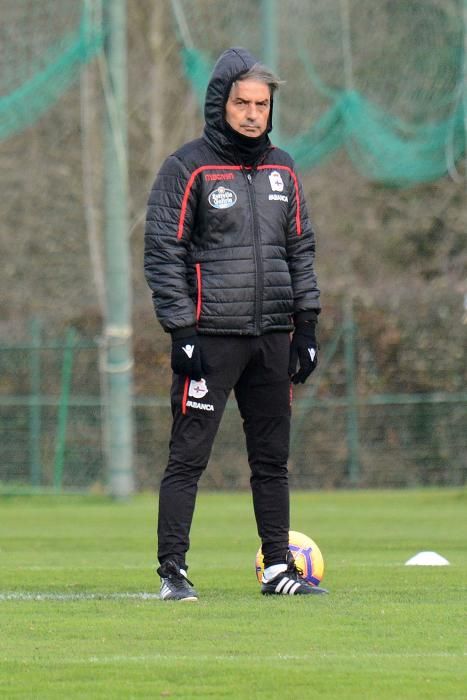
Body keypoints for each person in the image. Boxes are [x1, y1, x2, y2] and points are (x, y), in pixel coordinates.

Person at [144, 47, 326, 600]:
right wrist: (181, 331)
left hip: (272, 337)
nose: (252, 113)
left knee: (272, 461)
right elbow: (162, 252)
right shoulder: (187, 167)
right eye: (242, 102)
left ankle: (277, 570)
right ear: (220, 105)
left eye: (262, 104)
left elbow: (301, 250)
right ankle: (173, 573)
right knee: (188, 457)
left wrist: (308, 327)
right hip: (210, 338)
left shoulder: (284, 169)